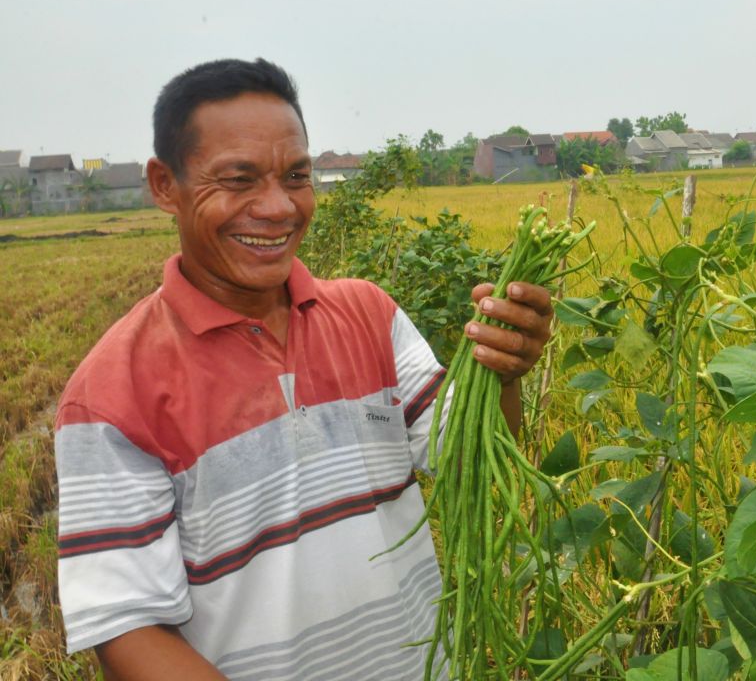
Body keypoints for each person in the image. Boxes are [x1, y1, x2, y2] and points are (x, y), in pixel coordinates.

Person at [54, 58, 553, 680]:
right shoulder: (110, 393)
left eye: (297, 176)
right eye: (238, 180)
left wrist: (503, 377)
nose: (277, 207)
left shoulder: (371, 315)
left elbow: (474, 462)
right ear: (164, 185)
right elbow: (128, 628)